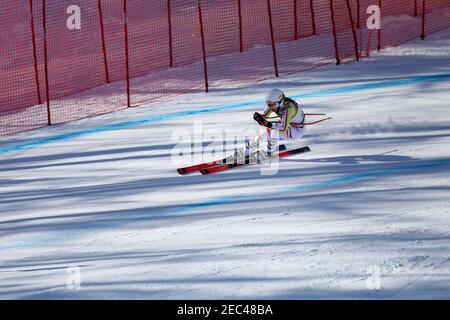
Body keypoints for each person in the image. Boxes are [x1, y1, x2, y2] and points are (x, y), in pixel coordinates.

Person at [238, 88, 306, 162]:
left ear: (280, 101)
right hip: (286, 125)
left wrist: (267, 124)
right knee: (263, 134)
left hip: (296, 130)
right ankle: (247, 149)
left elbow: (283, 129)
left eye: (273, 105)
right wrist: (258, 117)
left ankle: (268, 152)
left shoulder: (288, 109)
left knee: (275, 132)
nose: (271, 108)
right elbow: (265, 115)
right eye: (269, 105)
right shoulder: (273, 103)